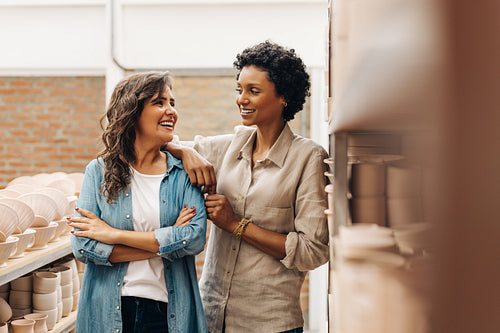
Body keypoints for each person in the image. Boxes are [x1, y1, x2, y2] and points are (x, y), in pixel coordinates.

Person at [167, 41, 329, 333]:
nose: (242, 99)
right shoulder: (227, 147)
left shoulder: (308, 158)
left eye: (254, 91)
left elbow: (312, 251)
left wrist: (235, 224)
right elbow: (157, 143)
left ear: (283, 97)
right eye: (239, 89)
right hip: (211, 316)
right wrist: (186, 151)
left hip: (269, 322)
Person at [68, 71, 208, 333]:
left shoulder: (183, 174)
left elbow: (194, 238)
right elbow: (83, 247)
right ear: (132, 111)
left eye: (172, 103)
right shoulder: (98, 171)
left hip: (166, 313)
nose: (171, 111)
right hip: (109, 311)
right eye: (159, 102)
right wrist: (165, 242)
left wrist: (112, 234)